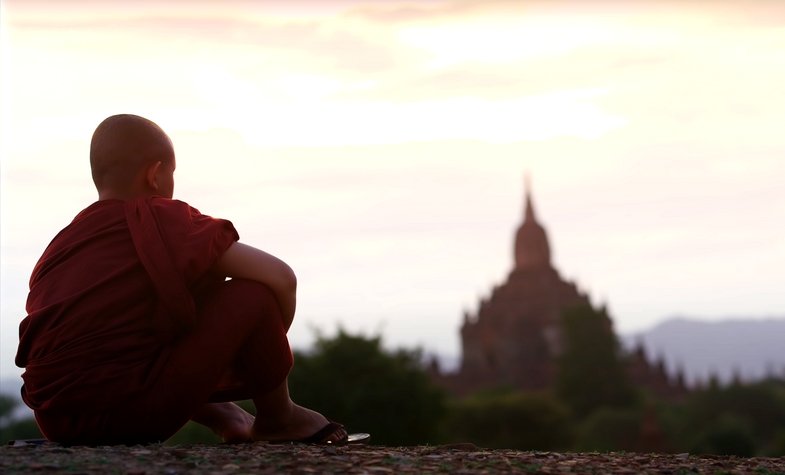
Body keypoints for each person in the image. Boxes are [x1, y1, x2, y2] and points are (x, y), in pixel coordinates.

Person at [16, 114, 354, 446]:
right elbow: (281, 278)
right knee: (253, 293)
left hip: (56, 419)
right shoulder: (161, 217)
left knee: (168, 309)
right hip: (129, 415)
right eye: (172, 173)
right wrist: (259, 356)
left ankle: (227, 416)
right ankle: (279, 417)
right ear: (156, 174)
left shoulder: (60, 245)